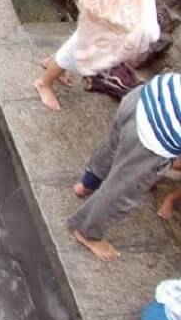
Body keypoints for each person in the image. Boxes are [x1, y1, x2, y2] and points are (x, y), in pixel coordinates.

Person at [35, 0, 181, 111]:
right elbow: (146, 25)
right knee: (73, 53)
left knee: (74, 46)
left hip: (103, 13)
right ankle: (44, 83)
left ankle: (53, 63)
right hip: (103, 20)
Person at [69, 74, 180, 261]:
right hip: (153, 137)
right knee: (122, 190)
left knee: (112, 148)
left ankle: (86, 184)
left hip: (144, 97)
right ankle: (87, 232)